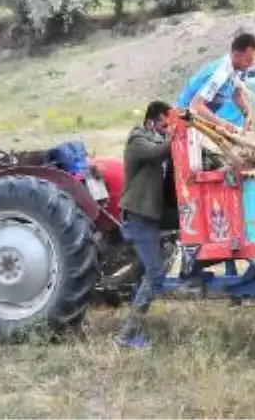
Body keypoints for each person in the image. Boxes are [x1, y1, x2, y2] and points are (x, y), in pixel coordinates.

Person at [116, 100, 175, 348]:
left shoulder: (155, 138)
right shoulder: (138, 138)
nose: (166, 127)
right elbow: (158, 152)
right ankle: (128, 335)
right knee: (155, 274)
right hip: (139, 216)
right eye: (165, 122)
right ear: (152, 120)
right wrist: (176, 134)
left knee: (151, 269)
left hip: (152, 214)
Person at [175, 32, 255, 132]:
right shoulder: (220, 73)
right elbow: (196, 105)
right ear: (236, 55)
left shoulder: (240, 69)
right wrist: (222, 124)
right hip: (184, 119)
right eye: (248, 60)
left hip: (201, 118)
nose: (251, 64)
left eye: (253, 59)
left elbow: (237, 95)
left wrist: (249, 115)